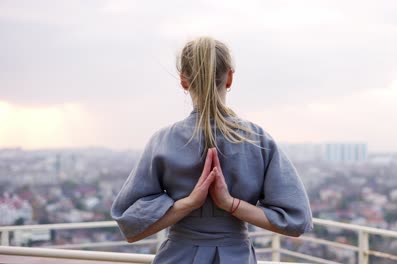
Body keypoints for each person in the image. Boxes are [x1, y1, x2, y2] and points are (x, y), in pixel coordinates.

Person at [110, 36, 313, 264]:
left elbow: (129, 225)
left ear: (184, 81)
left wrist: (188, 203)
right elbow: (296, 221)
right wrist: (230, 204)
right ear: (229, 77)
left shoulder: (163, 141)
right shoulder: (258, 140)